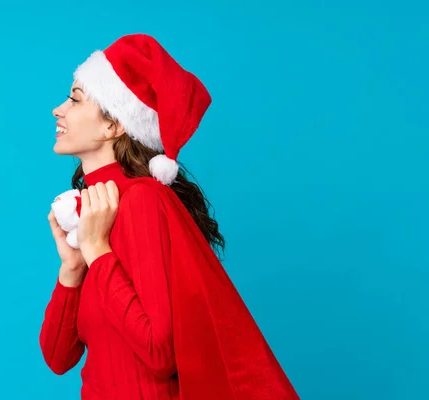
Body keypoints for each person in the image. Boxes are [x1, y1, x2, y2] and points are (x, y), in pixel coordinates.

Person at [39, 33, 300, 400]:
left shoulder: (144, 201)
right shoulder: (95, 212)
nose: (59, 109)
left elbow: (159, 354)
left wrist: (98, 251)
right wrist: (72, 268)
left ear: (113, 126)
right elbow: (57, 358)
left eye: (75, 100)